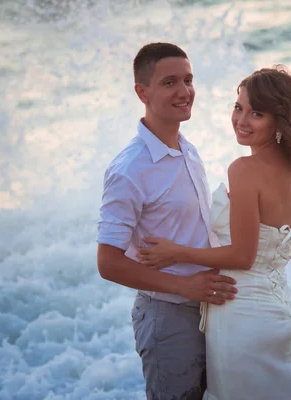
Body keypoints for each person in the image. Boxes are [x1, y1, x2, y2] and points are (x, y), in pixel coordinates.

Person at [137, 66, 291, 400]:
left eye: (257, 113)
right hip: (286, 318)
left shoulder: (244, 170)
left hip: (241, 314)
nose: (242, 120)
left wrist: (176, 251)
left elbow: (242, 256)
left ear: (280, 119)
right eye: (239, 108)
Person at [96, 42, 238, 400]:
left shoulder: (188, 150)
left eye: (188, 80)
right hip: (168, 318)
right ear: (141, 92)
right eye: (170, 82)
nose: (184, 91)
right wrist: (184, 288)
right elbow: (108, 263)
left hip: (208, 311)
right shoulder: (129, 169)